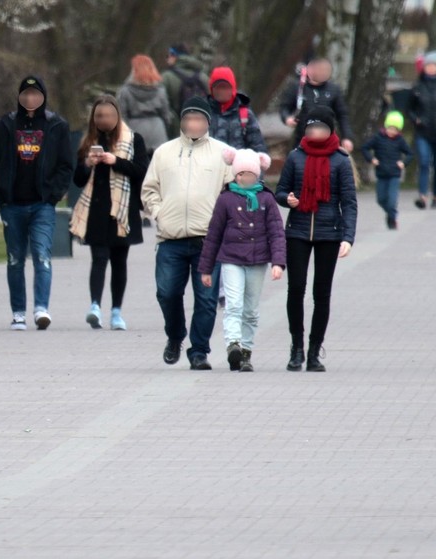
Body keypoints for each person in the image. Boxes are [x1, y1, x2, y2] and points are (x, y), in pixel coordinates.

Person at [141, 97, 234, 370]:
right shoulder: (164, 152)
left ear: (208, 122)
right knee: (166, 293)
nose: (193, 124)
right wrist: (159, 213)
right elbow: (149, 189)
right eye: (188, 119)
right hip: (170, 240)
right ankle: (175, 335)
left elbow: (233, 192)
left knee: (206, 300)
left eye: (199, 119)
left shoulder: (223, 153)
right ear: (181, 122)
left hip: (208, 240)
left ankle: (199, 352)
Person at [0, 75, 74, 331]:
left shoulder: (56, 125)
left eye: (36, 94)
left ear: (44, 97)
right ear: (19, 97)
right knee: (14, 259)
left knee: (42, 255)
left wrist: (53, 195)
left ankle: (41, 309)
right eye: (26, 94)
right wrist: (0, 195)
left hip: (42, 205)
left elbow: (65, 166)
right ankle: (18, 313)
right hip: (12, 205)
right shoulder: (5, 125)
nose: (31, 99)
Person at [275, 106, 357, 372]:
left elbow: (349, 202)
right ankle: (296, 347)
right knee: (296, 289)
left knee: (321, 293)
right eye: (311, 128)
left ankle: (314, 350)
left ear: (330, 130)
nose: (315, 132)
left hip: (329, 233)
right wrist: (286, 199)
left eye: (320, 128)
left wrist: (348, 237)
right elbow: (279, 191)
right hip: (297, 230)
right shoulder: (295, 157)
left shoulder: (341, 160)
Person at [198, 148, 286, 372]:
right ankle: (233, 345)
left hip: (257, 261)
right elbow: (213, 235)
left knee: (251, 310)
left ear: (257, 175)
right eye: (241, 174)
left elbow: (276, 232)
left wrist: (278, 262)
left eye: (250, 174)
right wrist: (206, 269)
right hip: (231, 260)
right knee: (233, 305)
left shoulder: (266, 198)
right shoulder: (225, 199)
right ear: (235, 175)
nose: (245, 178)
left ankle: (246, 351)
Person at [70, 95, 148, 331]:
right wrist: (88, 164)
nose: (105, 120)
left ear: (118, 116)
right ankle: (95, 306)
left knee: (119, 261)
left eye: (109, 116)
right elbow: (78, 179)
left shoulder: (134, 140)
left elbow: (141, 171)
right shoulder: (89, 142)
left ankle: (116, 311)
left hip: (123, 212)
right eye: (100, 116)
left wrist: (116, 161)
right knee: (99, 258)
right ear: (94, 118)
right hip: (96, 210)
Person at [278, 57, 354, 152]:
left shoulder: (334, 90)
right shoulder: (298, 88)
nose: (323, 73)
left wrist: (347, 137)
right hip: (302, 138)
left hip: (327, 140)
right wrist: (287, 118)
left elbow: (342, 115)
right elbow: (285, 107)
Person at [360, 110, 412, 229]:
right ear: (386, 126)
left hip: (394, 174)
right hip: (381, 173)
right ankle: (391, 213)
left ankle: (392, 218)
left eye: (395, 129)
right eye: (390, 128)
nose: (392, 132)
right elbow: (365, 148)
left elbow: (409, 153)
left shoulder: (400, 140)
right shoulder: (378, 138)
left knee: (392, 200)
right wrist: (372, 159)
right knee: (381, 199)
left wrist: (403, 163)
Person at [118, 55, 174, 156]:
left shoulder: (125, 91)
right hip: (158, 132)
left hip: (134, 131)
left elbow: (122, 117)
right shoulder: (160, 91)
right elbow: (166, 116)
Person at [207, 66, 268, 153]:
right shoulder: (203, 113)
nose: (221, 91)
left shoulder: (245, 115)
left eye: (225, 87)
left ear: (233, 88)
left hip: (237, 164)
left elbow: (258, 146)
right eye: (217, 87)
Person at [406, 52, 436, 209]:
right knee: (424, 162)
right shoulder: (417, 87)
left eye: (434, 66)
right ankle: (422, 196)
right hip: (423, 132)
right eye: (428, 66)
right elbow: (409, 108)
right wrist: (415, 119)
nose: (431, 69)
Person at [161, 43, 210, 131]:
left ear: (174, 56)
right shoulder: (204, 77)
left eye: (168, 55)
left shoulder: (166, 77)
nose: (167, 59)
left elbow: (160, 104)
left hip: (174, 131)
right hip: (201, 130)